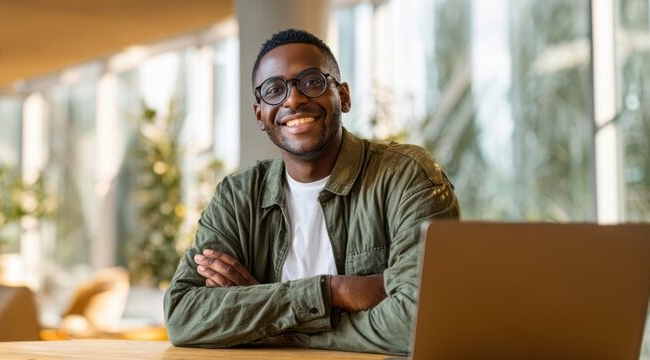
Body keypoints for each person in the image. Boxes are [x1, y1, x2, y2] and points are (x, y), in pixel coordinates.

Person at [163, 29, 460, 355]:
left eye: (312, 82)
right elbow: (183, 314)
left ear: (343, 96)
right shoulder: (237, 197)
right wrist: (333, 290)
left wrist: (274, 324)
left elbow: (418, 321)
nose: (293, 99)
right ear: (259, 115)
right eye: (274, 90)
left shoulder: (405, 174)